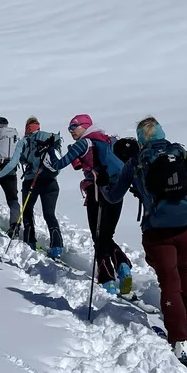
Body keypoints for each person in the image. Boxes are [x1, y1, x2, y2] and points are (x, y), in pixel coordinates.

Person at [104, 116, 187, 367]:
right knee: (185, 269)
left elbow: (114, 197)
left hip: (158, 231)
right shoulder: (183, 154)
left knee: (169, 280)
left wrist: (103, 187)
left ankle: (178, 339)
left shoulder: (135, 161)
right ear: (161, 132)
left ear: (140, 138)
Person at [42, 114, 133, 295]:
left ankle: (107, 281)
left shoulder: (83, 143)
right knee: (107, 235)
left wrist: (51, 149)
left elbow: (57, 164)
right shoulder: (108, 140)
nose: (71, 131)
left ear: (84, 126)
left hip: (96, 193)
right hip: (116, 191)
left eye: (73, 127)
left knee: (98, 237)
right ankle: (123, 267)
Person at [0, 116, 64, 259]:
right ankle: (57, 246)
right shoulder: (49, 138)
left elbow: (13, 163)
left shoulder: (24, 141)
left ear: (27, 129)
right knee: (50, 215)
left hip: (32, 181)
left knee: (27, 211)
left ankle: (30, 241)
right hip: (51, 181)